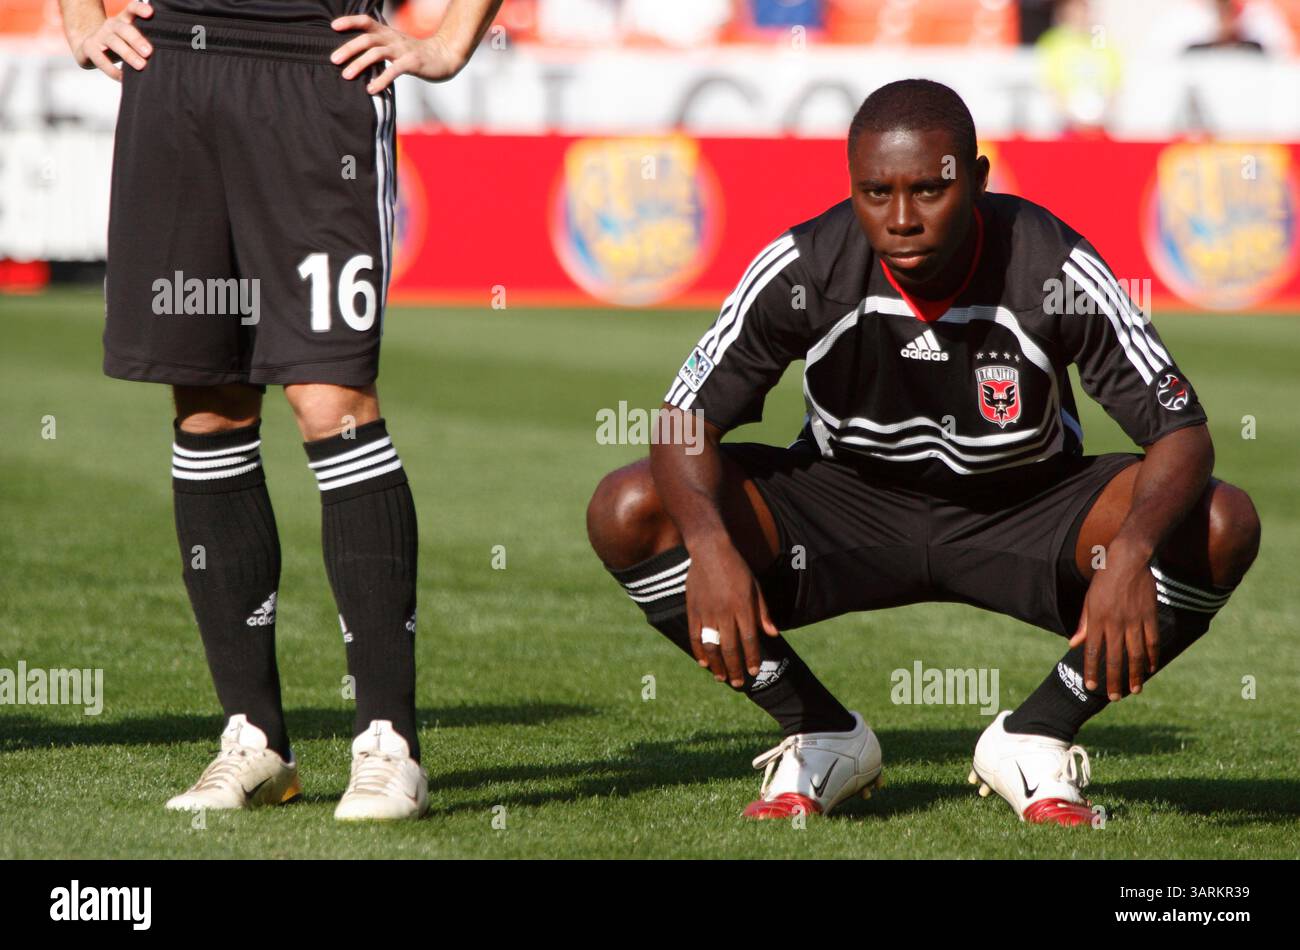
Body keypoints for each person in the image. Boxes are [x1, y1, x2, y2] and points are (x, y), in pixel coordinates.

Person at [586, 79, 1260, 826]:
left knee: (1221, 522)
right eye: (875, 192)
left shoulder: (1051, 263)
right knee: (632, 508)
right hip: (844, 509)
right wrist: (710, 544)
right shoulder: (807, 264)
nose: (900, 219)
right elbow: (683, 422)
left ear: (976, 179)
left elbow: (1181, 431)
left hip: (1024, 510)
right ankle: (820, 733)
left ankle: (1038, 735)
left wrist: (1131, 551)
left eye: (928, 191)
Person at [58, 0, 504, 820]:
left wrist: (446, 42)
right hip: (175, 75)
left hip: (317, 67)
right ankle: (255, 740)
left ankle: (389, 743)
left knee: (331, 399)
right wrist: (81, 18)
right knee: (207, 405)